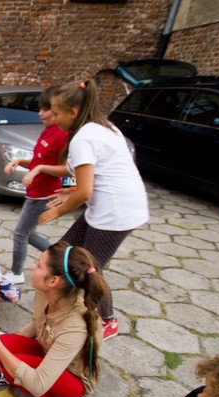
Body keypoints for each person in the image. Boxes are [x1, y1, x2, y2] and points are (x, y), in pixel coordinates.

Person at [39, 79, 149, 341]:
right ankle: (68, 302)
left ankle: (108, 320)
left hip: (115, 212)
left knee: (90, 269)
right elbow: (85, 173)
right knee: (63, 251)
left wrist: (58, 211)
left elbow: (85, 191)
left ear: (73, 113)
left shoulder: (85, 136)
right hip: (109, 205)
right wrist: (71, 189)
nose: (52, 119)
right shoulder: (102, 126)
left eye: (56, 113)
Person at [0, 242, 109, 397]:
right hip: (48, 350)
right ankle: (11, 372)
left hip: (72, 379)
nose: (32, 266)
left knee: (7, 360)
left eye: (39, 265)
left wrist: (0, 349)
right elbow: (37, 324)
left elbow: (38, 383)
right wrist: (1, 346)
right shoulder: (46, 292)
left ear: (53, 281)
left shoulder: (75, 326)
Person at [2, 85, 69, 285]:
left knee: (21, 233)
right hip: (34, 192)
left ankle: (16, 273)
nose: (40, 114)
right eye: (39, 109)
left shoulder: (62, 135)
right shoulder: (47, 131)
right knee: (29, 234)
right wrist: (20, 163)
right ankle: (62, 261)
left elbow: (67, 168)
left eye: (46, 110)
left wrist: (38, 170)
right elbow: (39, 160)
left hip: (43, 195)